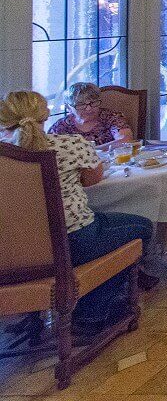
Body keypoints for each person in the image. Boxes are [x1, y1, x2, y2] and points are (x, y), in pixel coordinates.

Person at [1, 91, 152, 330]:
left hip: (10, 251)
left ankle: (27, 314)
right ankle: (91, 310)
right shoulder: (70, 144)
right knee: (142, 227)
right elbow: (92, 179)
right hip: (73, 240)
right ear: (45, 115)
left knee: (113, 223)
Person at [50, 82, 134, 145]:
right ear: (68, 108)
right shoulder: (61, 126)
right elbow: (51, 150)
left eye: (93, 103)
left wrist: (92, 151)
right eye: (81, 105)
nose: (89, 108)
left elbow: (125, 140)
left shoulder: (111, 117)